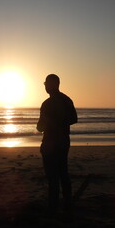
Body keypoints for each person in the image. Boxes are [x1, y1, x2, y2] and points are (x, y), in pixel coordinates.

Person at [37, 74, 78, 217]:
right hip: (63, 142)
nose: (45, 86)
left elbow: (40, 127)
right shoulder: (67, 100)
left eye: (46, 83)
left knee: (53, 176)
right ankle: (67, 204)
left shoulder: (47, 104)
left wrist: (51, 123)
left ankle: (53, 207)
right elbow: (74, 119)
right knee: (63, 173)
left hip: (50, 143)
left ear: (53, 84)